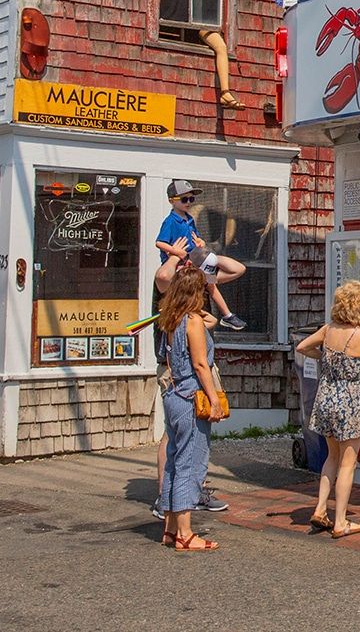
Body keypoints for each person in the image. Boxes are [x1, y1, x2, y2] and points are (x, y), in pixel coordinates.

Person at [295, 280, 360, 538]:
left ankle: (320, 508)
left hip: (326, 397)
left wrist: (326, 358)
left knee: (331, 458)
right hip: (350, 399)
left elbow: (302, 347)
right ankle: (341, 521)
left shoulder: (329, 329)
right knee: (348, 464)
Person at [150, 257, 226, 521]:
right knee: (190, 462)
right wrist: (214, 399)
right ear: (196, 292)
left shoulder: (171, 318)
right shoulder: (192, 320)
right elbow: (200, 364)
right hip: (191, 394)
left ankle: (170, 523)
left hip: (174, 393)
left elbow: (211, 322)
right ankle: (184, 530)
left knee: (174, 461)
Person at [155, 180, 247, 331]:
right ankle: (224, 315)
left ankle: (227, 315)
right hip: (180, 265)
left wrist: (200, 241)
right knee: (204, 285)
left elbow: (195, 237)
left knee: (210, 283)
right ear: (171, 201)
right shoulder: (171, 221)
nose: (189, 202)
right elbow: (159, 243)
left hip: (194, 260)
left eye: (192, 199)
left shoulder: (189, 219)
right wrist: (176, 252)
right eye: (184, 199)